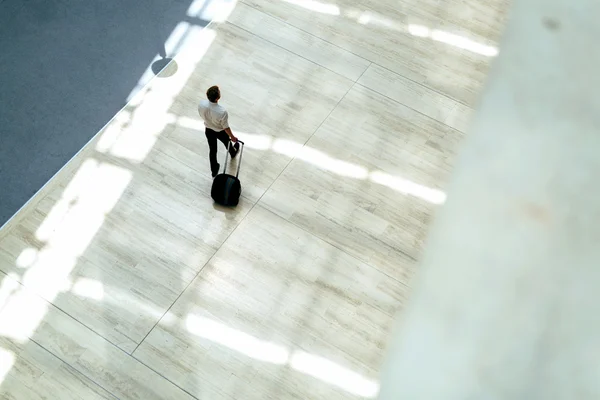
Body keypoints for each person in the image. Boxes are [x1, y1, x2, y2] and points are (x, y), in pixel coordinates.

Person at [197, 85, 240, 177]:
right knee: (227, 143)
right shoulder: (222, 111)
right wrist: (232, 137)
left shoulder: (201, 104)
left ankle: (214, 169)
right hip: (220, 132)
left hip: (208, 130)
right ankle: (232, 152)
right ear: (218, 98)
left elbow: (201, 115)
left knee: (212, 150)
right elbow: (226, 127)